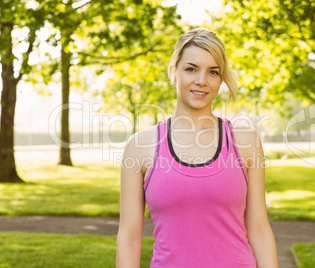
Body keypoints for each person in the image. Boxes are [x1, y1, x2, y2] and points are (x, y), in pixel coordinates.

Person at [116, 28, 279, 268]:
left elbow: (259, 229)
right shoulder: (140, 147)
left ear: (221, 79)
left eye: (213, 72)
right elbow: (129, 236)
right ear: (173, 72)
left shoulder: (246, 142)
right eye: (191, 69)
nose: (201, 80)